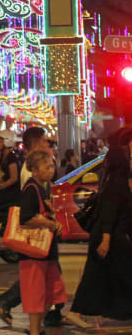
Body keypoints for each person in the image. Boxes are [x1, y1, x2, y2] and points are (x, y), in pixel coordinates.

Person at [0, 126, 55, 327]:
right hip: (37, 232)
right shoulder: (31, 171)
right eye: (45, 141)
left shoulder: (35, 166)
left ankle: (51, 314)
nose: (47, 144)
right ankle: (10, 304)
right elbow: (29, 204)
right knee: (37, 278)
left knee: (47, 277)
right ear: (36, 143)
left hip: (44, 232)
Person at [71, 127, 132, 326]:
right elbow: (109, 212)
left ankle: (83, 313)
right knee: (104, 276)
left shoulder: (114, 180)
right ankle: (79, 313)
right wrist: (106, 239)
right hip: (108, 236)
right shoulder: (116, 182)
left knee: (98, 276)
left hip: (110, 235)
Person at [15, 150, 66, 335]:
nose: (50, 170)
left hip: (46, 250)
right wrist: (50, 223)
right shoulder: (31, 189)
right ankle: (35, 330)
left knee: (55, 291)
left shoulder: (43, 188)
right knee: (36, 294)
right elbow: (26, 218)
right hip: (33, 250)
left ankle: (35, 328)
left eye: (52, 166)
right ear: (35, 170)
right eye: (46, 167)